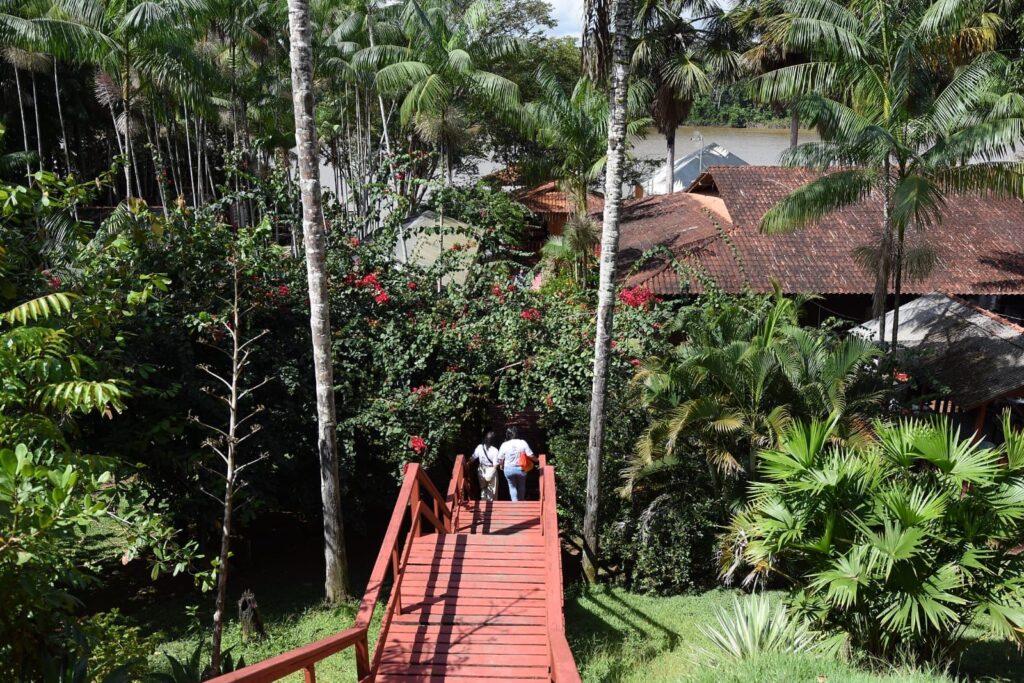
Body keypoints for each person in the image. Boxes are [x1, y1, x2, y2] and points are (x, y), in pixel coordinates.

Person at [498, 426, 536, 502]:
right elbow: (530, 455)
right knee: (521, 485)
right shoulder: (522, 442)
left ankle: (515, 503)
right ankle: (521, 502)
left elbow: (500, 459)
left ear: (507, 434)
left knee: (512, 486)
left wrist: (501, 465)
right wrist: (537, 460)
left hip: (508, 468)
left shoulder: (504, 444)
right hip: (521, 468)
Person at [469, 431, 500, 501]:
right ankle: (490, 504)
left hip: (481, 469)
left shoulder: (480, 447)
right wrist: (492, 473)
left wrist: (467, 464)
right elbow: (495, 464)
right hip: (491, 469)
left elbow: (473, 457)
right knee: (492, 489)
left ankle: (483, 501)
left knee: (483, 488)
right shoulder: (495, 450)